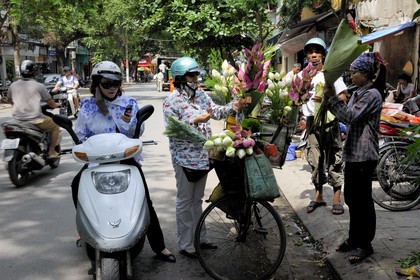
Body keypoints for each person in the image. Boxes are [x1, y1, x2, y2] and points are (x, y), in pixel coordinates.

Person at [71, 61, 176, 263]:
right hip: (96, 162)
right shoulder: (87, 106)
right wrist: (82, 147)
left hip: (125, 160)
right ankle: (85, 229)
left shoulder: (129, 104)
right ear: (96, 83)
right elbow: (80, 133)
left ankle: (159, 246)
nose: (111, 88)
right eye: (106, 83)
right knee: (76, 185)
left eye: (115, 83)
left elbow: (138, 132)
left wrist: (128, 121)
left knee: (145, 198)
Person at [163, 57, 243, 258]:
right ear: (181, 78)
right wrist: (194, 120)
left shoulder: (200, 95)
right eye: (192, 75)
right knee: (184, 200)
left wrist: (234, 106)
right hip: (184, 159)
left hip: (202, 157)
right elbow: (172, 130)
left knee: (197, 199)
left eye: (197, 75)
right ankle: (185, 243)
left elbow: (215, 112)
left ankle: (201, 237)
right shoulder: (171, 101)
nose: (196, 79)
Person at [325, 52, 385, 264]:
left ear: (366, 74)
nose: (351, 75)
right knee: (351, 198)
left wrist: (332, 97)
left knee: (363, 202)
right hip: (353, 155)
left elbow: (350, 117)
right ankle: (353, 239)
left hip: (364, 155)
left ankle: (365, 244)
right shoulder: (359, 92)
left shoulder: (372, 95)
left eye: (355, 72)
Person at [301, 38, 347, 215]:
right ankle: (318, 196)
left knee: (335, 158)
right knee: (315, 159)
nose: (314, 55)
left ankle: (337, 198)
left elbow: (343, 96)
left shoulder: (330, 74)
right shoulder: (303, 77)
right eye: (310, 52)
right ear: (306, 55)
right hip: (312, 123)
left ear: (323, 55)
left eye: (317, 52)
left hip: (329, 121)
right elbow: (296, 97)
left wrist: (328, 99)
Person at [7, 60, 61, 158]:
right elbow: (50, 103)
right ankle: (51, 151)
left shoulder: (13, 85)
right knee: (55, 127)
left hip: (17, 120)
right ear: (34, 72)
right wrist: (57, 105)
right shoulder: (39, 86)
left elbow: (10, 101)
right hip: (35, 120)